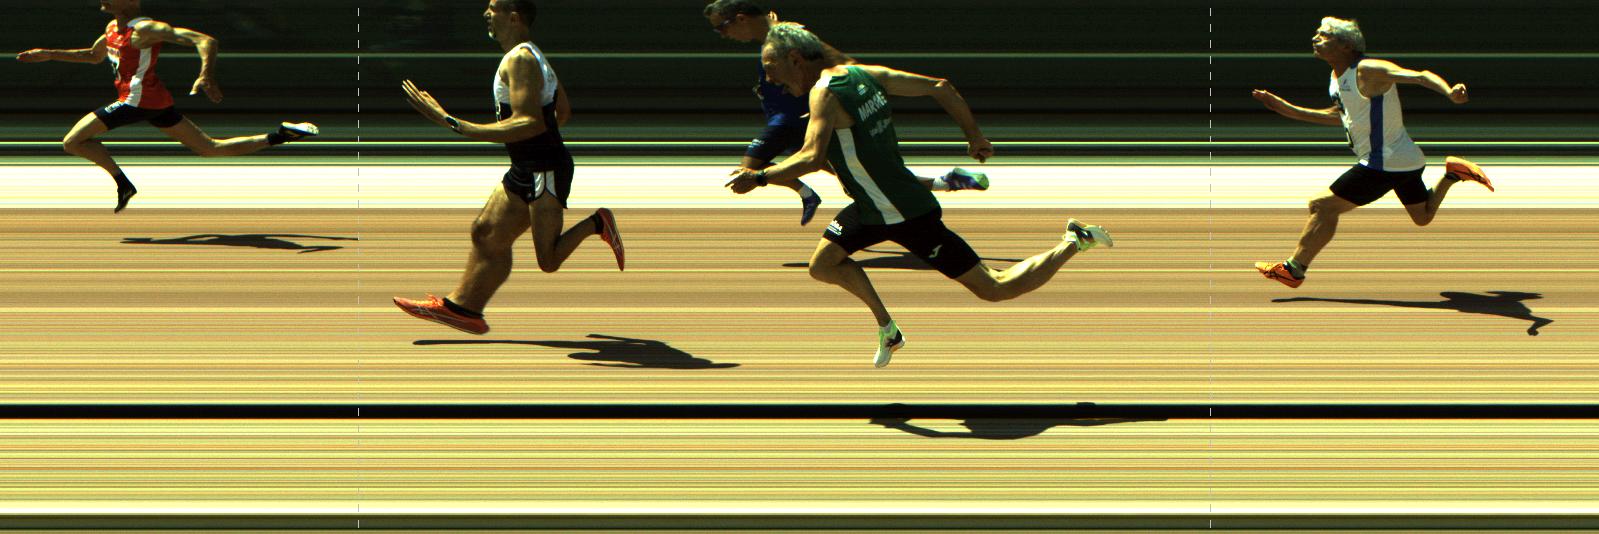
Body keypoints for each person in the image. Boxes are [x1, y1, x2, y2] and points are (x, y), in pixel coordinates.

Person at [726, 23, 1113, 367]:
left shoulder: (824, 94)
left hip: (903, 213)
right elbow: (940, 87)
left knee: (995, 287)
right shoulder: (864, 73)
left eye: (771, 68)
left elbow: (811, 156)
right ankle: (889, 329)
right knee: (823, 265)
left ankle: (1073, 241)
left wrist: (758, 177)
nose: (771, 80)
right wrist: (975, 137)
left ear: (795, 59)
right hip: (871, 206)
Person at [393, 0, 623, 335]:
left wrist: (453, 123)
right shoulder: (531, 55)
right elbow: (561, 112)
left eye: (493, 8)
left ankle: (597, 222)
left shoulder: (520, 59)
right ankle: (463, 310)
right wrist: (536, 140)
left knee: (548, 260)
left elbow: (529, 121)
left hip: (544, 170)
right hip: (529, 165)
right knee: (485, 232)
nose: (485, 14)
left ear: (513, 17)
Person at [1251, 16, 1492, 288]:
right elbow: (1340, 116)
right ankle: (1452, 175)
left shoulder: (1368, 70)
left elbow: (1420, 75)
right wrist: (1284, 108)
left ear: (1346, 45)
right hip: (1406, 160)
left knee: (1322, 206)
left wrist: (1449, 92)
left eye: (1324, 35)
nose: (1315, 38)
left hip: (1384, 163)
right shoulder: (1336, 78)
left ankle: (1293, 270)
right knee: (1423, 217)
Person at [704, 0, 990, 226]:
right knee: (863, 179)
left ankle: (909, 216)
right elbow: (939, 86)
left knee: (859, 182)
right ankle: (946, 182)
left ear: (741, 19)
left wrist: (760, 178)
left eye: (721, 28)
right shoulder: (781, 37)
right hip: (811, 113)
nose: (722, 35)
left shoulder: (793, 43)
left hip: (815, 115)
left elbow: (844, 69)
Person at [15, 0, 319, 213]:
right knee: (210, 148)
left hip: (135, 101)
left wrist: (206, 74)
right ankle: (281, 135)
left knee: (72, 142)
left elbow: (206, 41)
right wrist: (49, 54)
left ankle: (123, 184)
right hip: (155, 101)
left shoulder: (146, 29)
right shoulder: (112, 27)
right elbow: (93, 56)